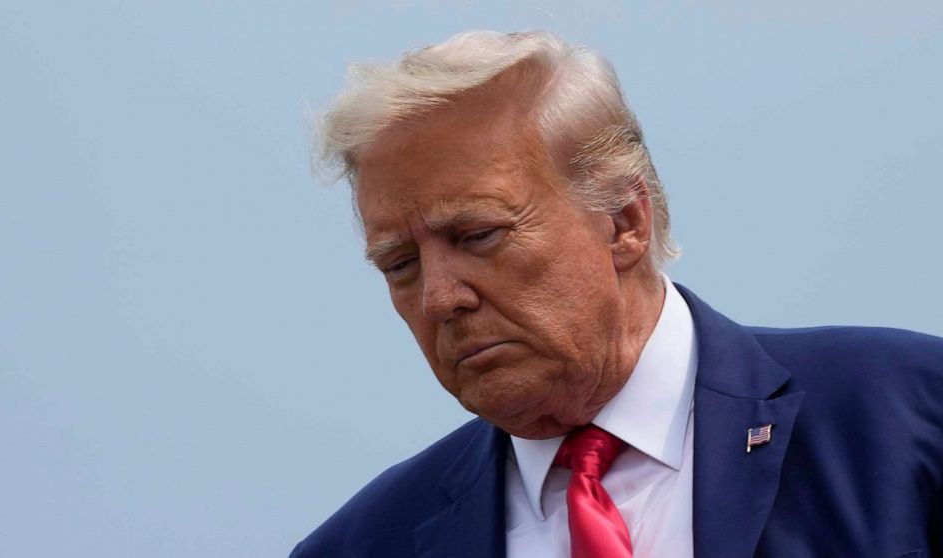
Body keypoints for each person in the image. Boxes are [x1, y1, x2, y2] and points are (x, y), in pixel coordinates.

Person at [292, 30, 943, 558]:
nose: (439, 298)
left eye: (479, 234)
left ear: (625, 222)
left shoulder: (906, 415)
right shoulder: (363, 544)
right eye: (400, 264)